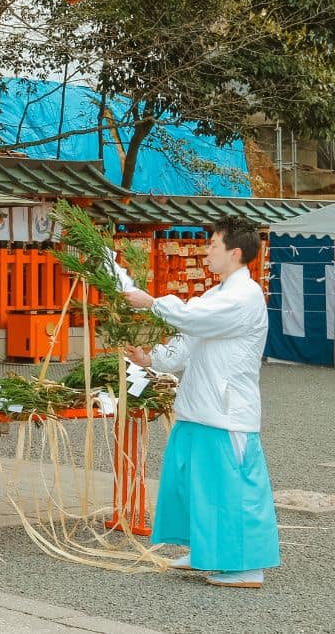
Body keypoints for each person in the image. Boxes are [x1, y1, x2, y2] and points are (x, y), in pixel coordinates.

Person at [124, 215, 279, 589]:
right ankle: (205, 550)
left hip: (227, 411)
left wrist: (152, 302)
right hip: (198, 406)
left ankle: (247, 565)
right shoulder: (217, 294)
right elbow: (188, 339)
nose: (206, 251)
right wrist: (152, 360)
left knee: (232, 490)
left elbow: (194, 318)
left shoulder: (245, 295)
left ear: (235, 252)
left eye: (212, 245)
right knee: (193, 484)